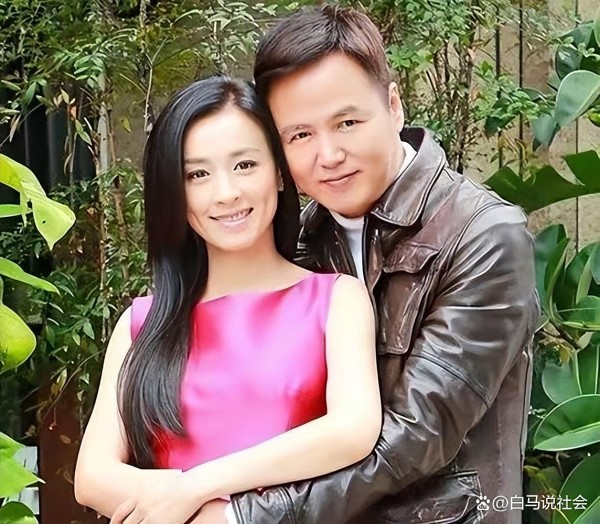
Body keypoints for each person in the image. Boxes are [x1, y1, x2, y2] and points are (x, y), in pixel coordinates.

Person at [197, 5, 539, 524]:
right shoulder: (299, 240)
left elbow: (418, 435)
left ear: (394, 107)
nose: (329, 154)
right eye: (300, 135)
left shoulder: (484, 235)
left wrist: (242, 516)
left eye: (348, 123)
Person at [73, 76, 382, 524]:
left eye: (245, 165)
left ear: (279, 172)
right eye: (197, 174)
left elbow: (353, 430)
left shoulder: (336, 300)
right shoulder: (142, 324)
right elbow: (93, 476)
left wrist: (200, 491)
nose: (226, 193)